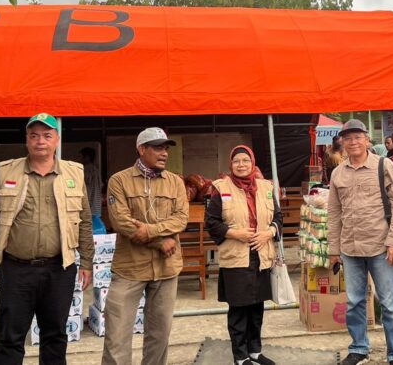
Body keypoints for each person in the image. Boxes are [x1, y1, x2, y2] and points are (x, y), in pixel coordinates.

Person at [0, 113, 94, 365]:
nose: (41, 141)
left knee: (55, 336)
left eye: (47, 135)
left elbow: (85, 222)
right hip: (17, 270)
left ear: (57, 140)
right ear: (27, 140)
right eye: (34, 135)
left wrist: (86, 263)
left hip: (59, 269)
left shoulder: (74, 173)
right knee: (9, 338)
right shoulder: (7, 171)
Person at [102, 127, 189, 365]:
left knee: (159, 335)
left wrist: (149, 231)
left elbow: (181, 219)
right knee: (117, 336)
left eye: (166, 148)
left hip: (166, 268)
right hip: (129, 269)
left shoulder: (175, 183)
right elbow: (121, 222)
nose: (164, 153)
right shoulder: (119, 181)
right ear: (142, 149)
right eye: (158, 148)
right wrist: (161, 241)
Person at [327, 119, 393, 365]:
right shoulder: (337, 172)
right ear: (342, 142)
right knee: (354, 302)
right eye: (348, 138)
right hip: (350, 248)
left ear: (366, 139)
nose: (353, 142)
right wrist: (333, 250)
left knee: (390, 305)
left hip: (381, 246)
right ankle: (359, 348)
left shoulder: (384, 165)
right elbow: (333, 213)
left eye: (357, 137)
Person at [205, 145, 283, 365]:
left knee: (257, 307)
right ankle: (240, 357)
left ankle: (255, 351)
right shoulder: (220, 188)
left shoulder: (266, 187)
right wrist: (235, 234)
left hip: (261, 256)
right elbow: (211, 223)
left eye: (245, 161)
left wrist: (269, 232)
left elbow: (278, 217)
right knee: (239, 309)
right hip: (236, 256)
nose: (241, 165)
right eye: (237, 161)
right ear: (231, 164)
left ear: (253, 163)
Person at [79, 147, 105, 233]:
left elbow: (83, 186)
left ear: (87, 157)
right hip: (96, 206)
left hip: (89, 206)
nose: (80, 159)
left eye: (82, 157)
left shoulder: (86, 169)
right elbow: (101, 185)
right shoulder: (96, 170)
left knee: (89, 232)